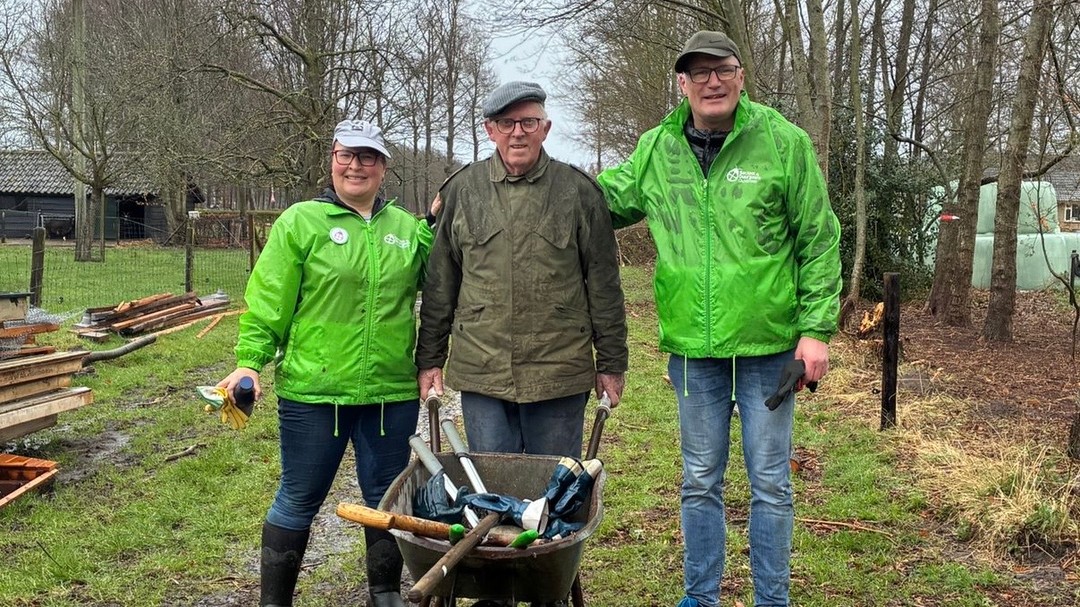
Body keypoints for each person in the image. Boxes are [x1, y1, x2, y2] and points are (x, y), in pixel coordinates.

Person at [596, 31, 842, 607]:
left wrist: (815, 331)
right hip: (693, 350)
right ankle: (700, 596)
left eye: (722, 69)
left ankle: (771, 599)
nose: (712, 82)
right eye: (699, 73)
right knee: (700, 480)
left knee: (771, 483)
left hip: (769, 347)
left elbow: (819, 238)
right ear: (682, 83)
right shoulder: (657, 149)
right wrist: (533, 178)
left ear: (740, 76)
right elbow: (599, 201)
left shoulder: (781, 141)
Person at [217, 120, 434, 607]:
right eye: (346, 155)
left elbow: (440, 284)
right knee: (298, 498)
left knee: (386, 499)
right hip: (314, 393)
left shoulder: (406, 229)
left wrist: (441, 222)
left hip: (390, 393)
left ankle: (384, 593)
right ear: (332, 160)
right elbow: (269, 300)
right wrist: (250, 362)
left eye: (368, 157)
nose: (356, 166)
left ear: (383, 167)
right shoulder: (301, 222)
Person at [416, 81, 628, 460]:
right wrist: (430, 358)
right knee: (492, 484)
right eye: (506, 123)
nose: (518, 132)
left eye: (529, 122)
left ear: (545, 129)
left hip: (559, 373)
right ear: (490, 130)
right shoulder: (462, 191)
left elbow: (604, 286)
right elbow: (440, 284)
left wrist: (612, 363)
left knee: (553, 484)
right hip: (483, 370)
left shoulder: (579, 192)